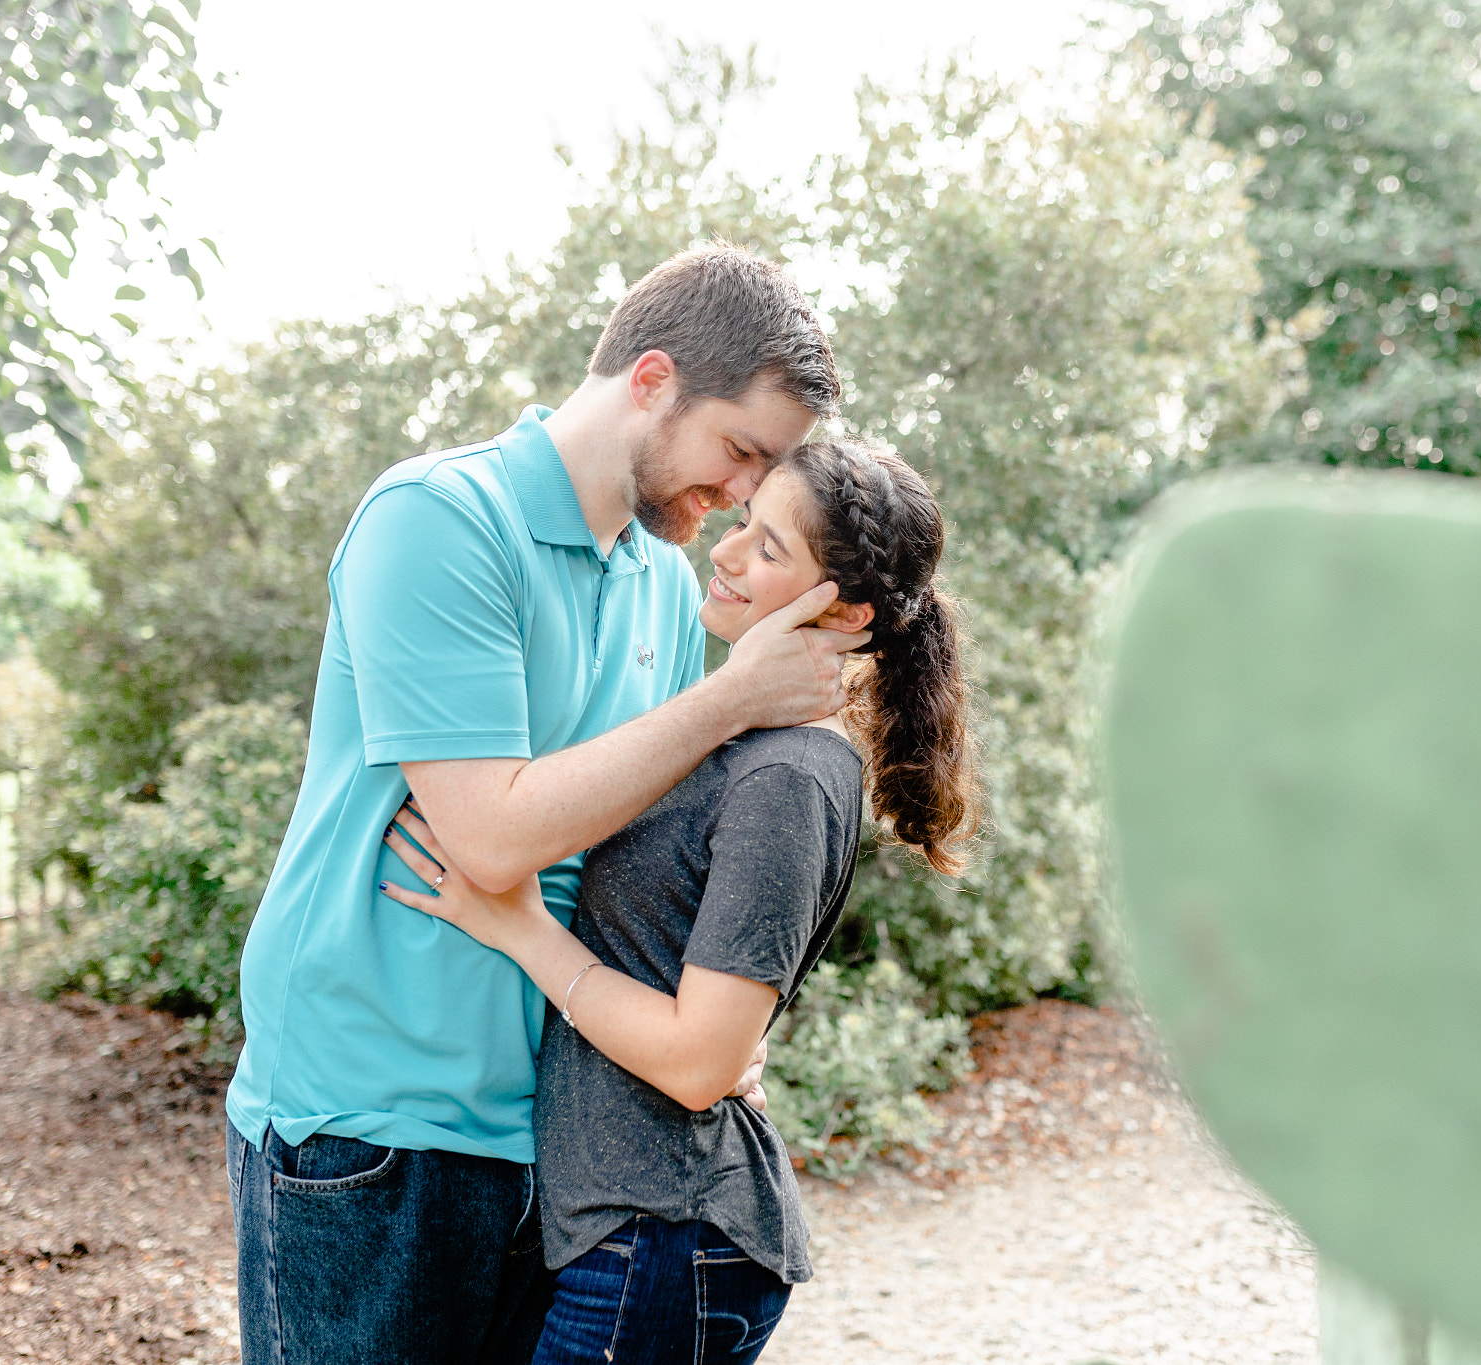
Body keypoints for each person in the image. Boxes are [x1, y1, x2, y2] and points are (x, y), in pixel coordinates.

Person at [223, 244, 868, 1364]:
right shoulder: (438, 519)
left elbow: (651, 844)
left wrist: (710, 1035)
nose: (737, 495)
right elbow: (492, 837)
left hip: (551, 1139)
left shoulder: (662, 581)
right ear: (653, 379)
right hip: (373, 1123)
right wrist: (727, 702)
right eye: (739, 452)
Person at [376, 437, 977, 1364]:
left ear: (848, 612)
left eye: (771, 548)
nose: (729, 553)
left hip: (669, 1235)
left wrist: (520, 929)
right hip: (629, 1231)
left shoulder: (792, 776)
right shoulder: (736, 738)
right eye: (743, 525)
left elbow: (700, 1063)